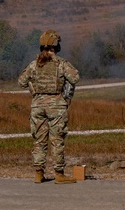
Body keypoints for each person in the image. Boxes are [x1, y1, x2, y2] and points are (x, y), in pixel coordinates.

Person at [18, 29, 80, 184]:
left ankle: (38, 174)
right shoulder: (61, 64)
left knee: (39, 141)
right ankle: (59, 174)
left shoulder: (33, 65)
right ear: (56, 47)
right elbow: (75, 78)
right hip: (57, 106)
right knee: (57, 140)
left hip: (37, 105)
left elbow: (21, 82)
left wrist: (34, 85)